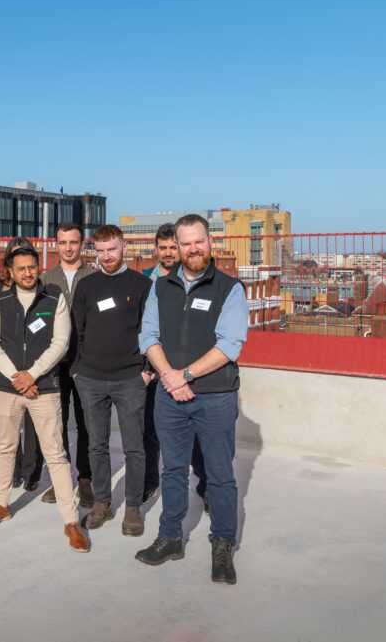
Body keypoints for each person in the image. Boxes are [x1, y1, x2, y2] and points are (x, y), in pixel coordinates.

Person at [135, 214, 249, 585]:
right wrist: (170, 376)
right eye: (186, 244)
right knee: (172, 469)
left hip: (215, 397)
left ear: (209, 241)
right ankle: (170, 537)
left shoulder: (230, 288)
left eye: (198, 241)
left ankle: (223, 544)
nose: (193, 249)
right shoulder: (161, 286)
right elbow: (148, 336)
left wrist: (184, 375)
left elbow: (229, 345)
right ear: (178, 247)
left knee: (219, 476)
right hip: (170, 397)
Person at [0, 246, 90, 553]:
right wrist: (17, 376)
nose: (28, 273)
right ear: (10, 272)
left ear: (39, 267)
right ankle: (1, 504)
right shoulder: (0, 301)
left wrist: (33, 374)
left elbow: (60, 342)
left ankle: (71, 521)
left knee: (56, 454)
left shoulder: (54, 299)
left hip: (45, 388)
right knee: (5, 448)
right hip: (7, 387)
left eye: (32, 267)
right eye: (21, 268)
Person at [70, 225, 153, 537]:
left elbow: (149, 329)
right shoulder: (87, 286)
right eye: (101, 250)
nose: (106, 256)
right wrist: (76, 370)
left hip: (130, 378)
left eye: (112, 249)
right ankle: (102, 502)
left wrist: (147, 371)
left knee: (134, 447)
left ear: (124, 247)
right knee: (97, 445)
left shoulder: (142, 285)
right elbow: (76, 331)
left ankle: (133, 507)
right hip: (90, 379)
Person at [140, 223, 209, 506]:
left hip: (185, 372)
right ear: (155, 249)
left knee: (196, 436)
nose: (168, 253)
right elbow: (143, 329)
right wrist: (147, 368)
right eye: (163, 248)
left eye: (172, 247)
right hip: (153, 371)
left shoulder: (192, 279)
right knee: (150, 432)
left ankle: (206, 484)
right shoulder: (145, 280)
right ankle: (149, 482)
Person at [40, 223, 94, 507]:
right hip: (55, 364)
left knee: (86, 423)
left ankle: (85, 479)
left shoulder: (95, 277)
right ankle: (61, 479)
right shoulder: (46, 279)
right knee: (57, 424)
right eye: (63, 242)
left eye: (74, 242)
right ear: (56, 245)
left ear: (81, 245)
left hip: (86, 363)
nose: (69, 248)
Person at [0, 238, 45, 491]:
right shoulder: (0, 291)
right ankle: (13, 471)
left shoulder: (41, 290)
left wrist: (31, 375)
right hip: (8, 369)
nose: (24, 267)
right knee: (9, 427)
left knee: (33, 425)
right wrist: (13, 374)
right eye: (16, 257)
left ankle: (31, 471)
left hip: (34, 371)